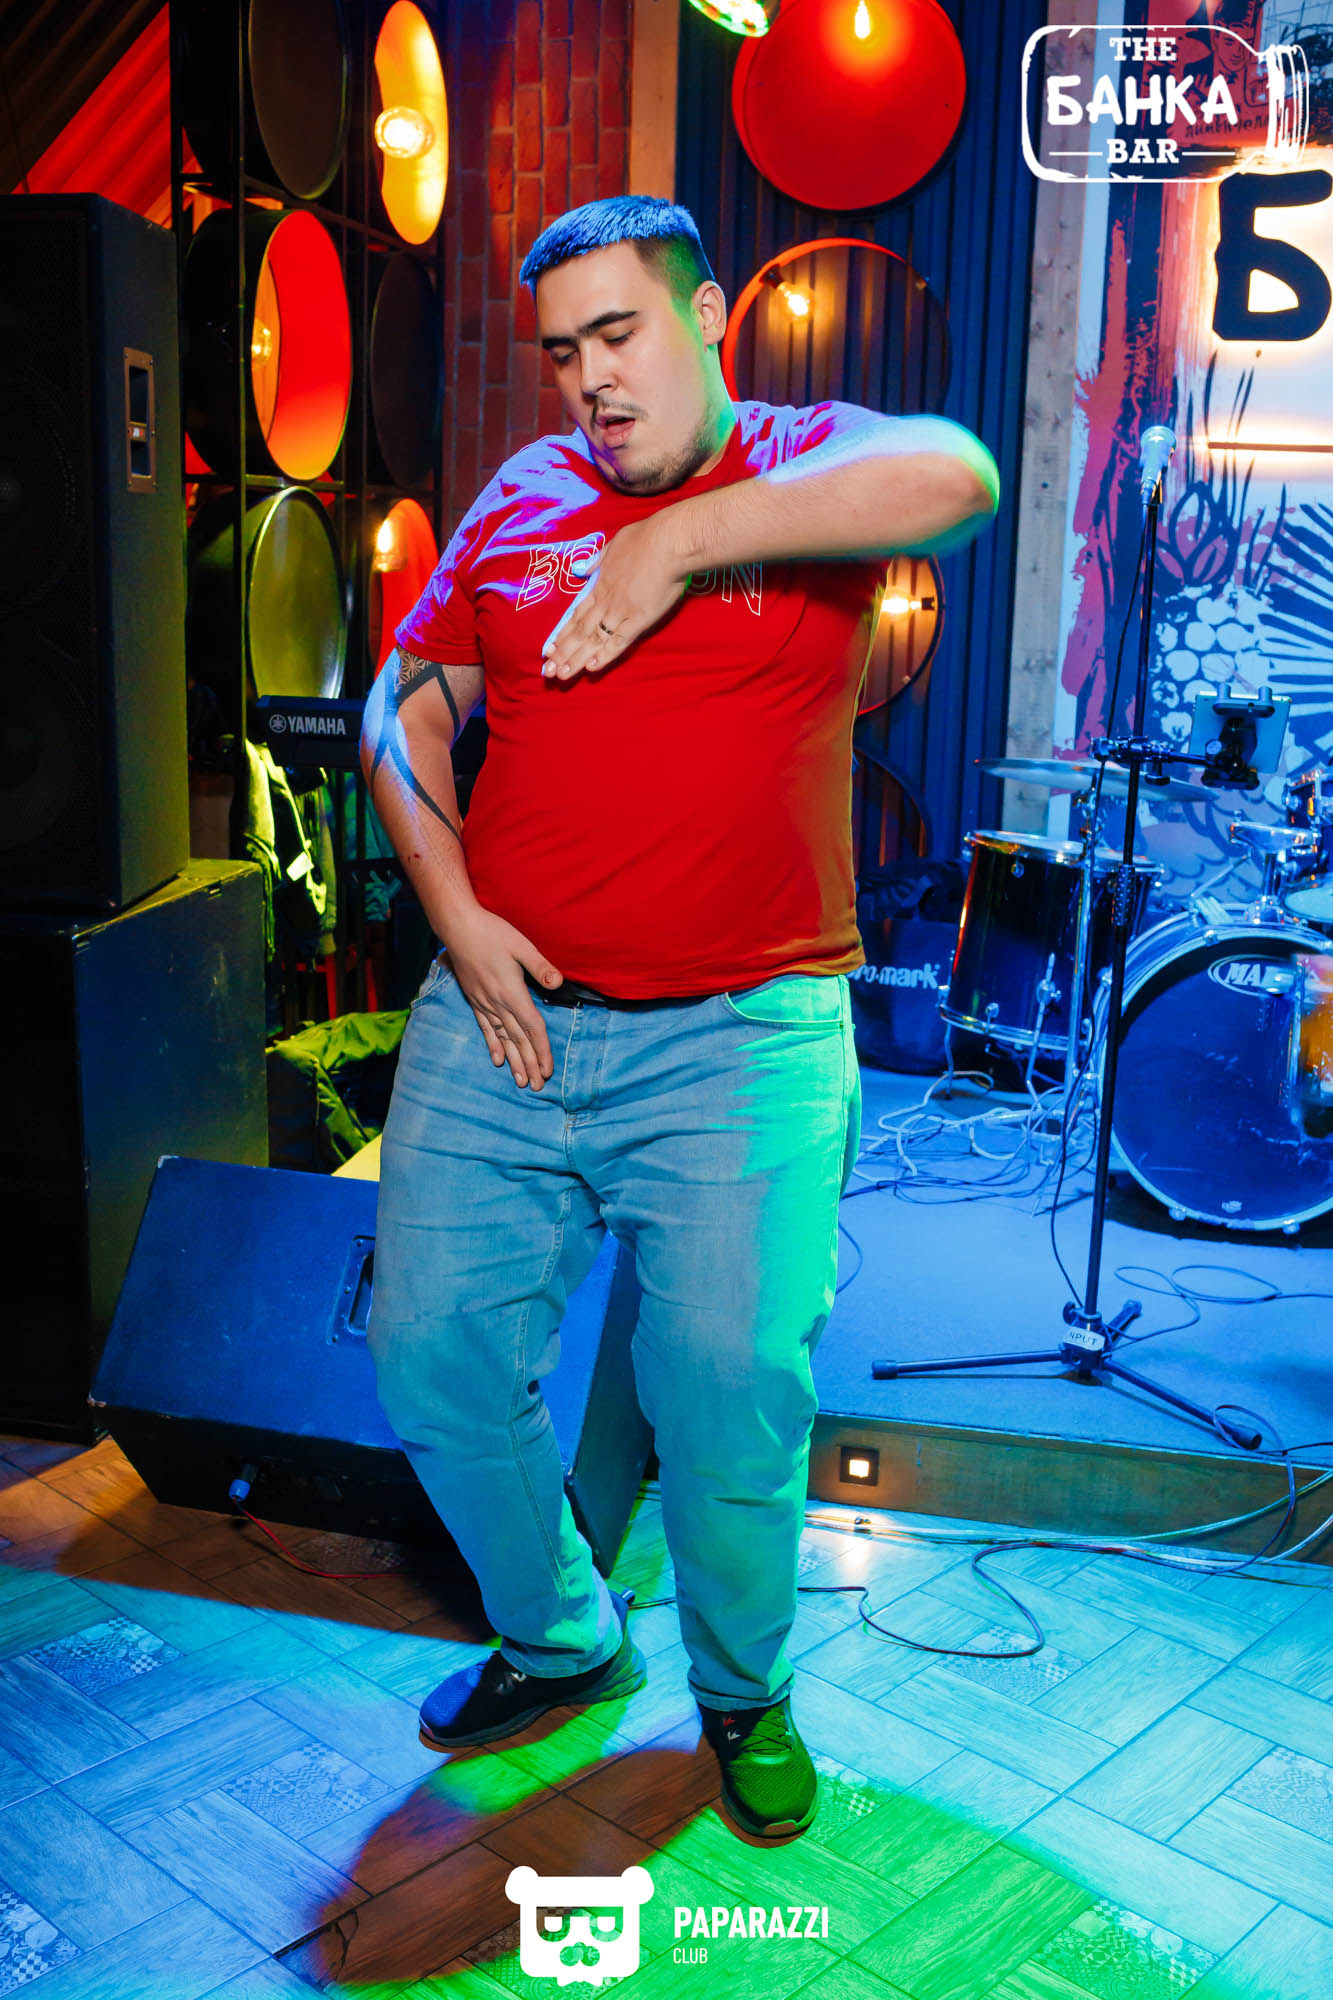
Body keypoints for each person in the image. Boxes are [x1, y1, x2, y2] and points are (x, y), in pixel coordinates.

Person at [361, 195, 998, 1841]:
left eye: (618, 333)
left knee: (726, 1392)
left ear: (708, 319)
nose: (589, 377)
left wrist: (678, 541)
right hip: (505, 1025)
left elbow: (959, 474)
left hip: (740, 1039)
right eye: (560, 350)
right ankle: (561, 1637)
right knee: (430, 1355)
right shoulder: (518, 497)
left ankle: (741, 1691)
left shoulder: (805, 462)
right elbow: (399, 710)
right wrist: (458, 922)